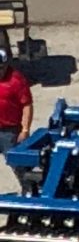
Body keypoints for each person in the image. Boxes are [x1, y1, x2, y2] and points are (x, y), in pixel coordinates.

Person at [0, 51, 31, 179]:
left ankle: (28, 190)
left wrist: (25, 130)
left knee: (18, 164)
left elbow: (27, 105)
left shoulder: (16, 80)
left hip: (10, 132)